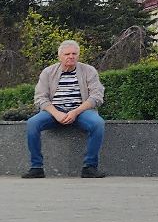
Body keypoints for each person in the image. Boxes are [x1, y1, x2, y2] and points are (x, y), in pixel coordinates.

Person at [23, 39, 106, 178]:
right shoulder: (48, 72)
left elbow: (97, 96)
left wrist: (75, 112)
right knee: (32, 123)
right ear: (60, 56)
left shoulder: (89, 71)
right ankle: (36, 167)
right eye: (67, 54)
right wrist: (56, 114)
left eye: (74, 53)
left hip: (81, 111)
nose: (71, 56)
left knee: (98, 124)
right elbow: (40, 98)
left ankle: (90, 167)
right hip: (54, 111)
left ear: (78, 55)